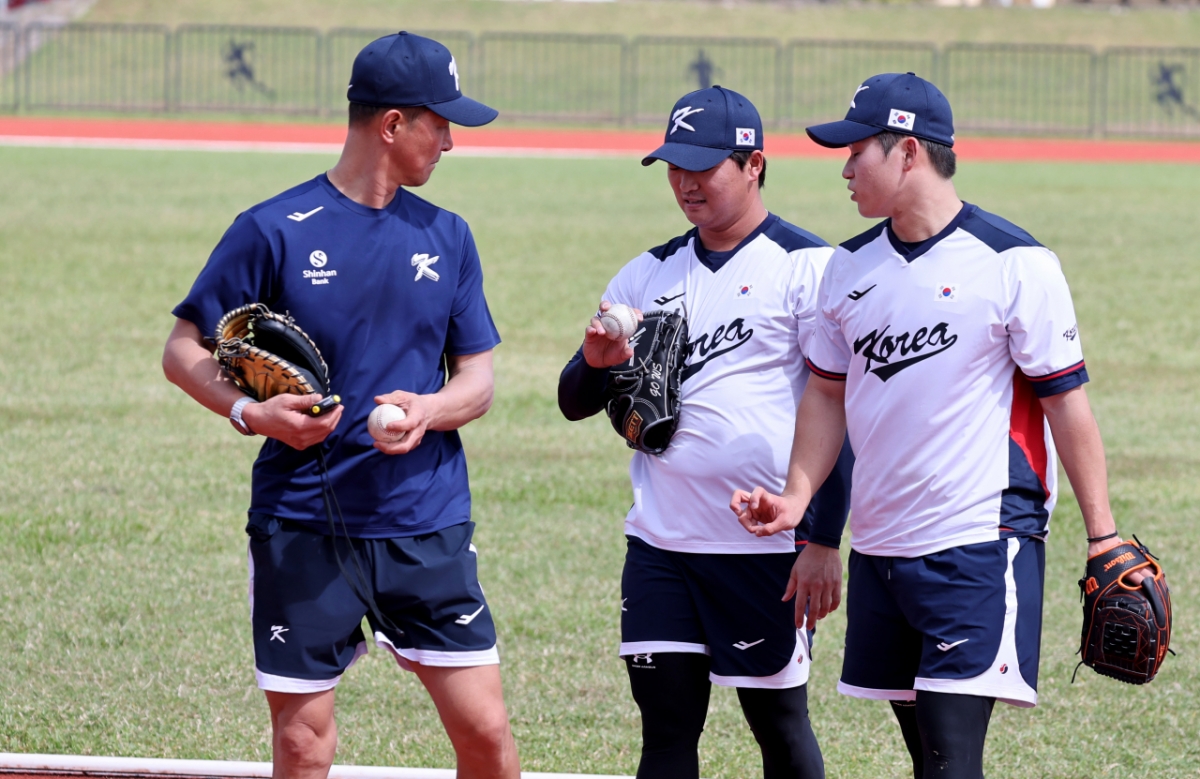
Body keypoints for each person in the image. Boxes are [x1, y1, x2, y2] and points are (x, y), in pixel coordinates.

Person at [732, 73, 1139, 779]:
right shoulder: (848, 267)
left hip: (978, 541)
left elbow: (1066, 403)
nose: (844, 169)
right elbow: (826, 395)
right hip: (882, 547)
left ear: (909, 151)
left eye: (857, 152)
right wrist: (798, 499)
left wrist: (1102, 535)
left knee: (952, 755)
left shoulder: (1015, 263)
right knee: (927, 755)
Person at [162, 32, 519, 779]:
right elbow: (184, 349)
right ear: (391, 124)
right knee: (302, 745)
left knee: (486, 735)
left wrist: (429, 410)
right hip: (303, 524)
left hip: (424, 523)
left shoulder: (448, 235)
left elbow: (477, 381)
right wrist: (250, 414)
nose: (450, 142)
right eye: (440, 124)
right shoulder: (271, 228)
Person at [558, 86, 853, 779]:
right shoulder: (647, 273)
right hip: (661, 542)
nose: (685, 183)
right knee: (665, 733)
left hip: (764, 547)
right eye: (673, 166)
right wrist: (597, 361)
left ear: (753, 165)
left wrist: (822, 539)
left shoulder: (809, 267)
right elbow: (573, 400)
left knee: (779, 727)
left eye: (703, 166)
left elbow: (839, 410)